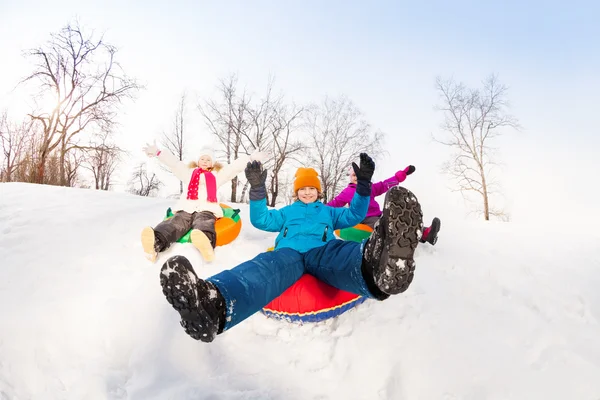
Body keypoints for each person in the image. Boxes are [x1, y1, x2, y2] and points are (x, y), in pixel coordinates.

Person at [159, 153, 424, 343]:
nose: (307, 192)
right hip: (289, 254)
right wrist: (258, 189)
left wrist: (363, 186)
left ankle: (380, 265)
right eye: (302, 189)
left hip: (322, 250)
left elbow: (355, 215)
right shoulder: (287, 212)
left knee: (344, 254)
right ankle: (211, 305)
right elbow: (261, 220)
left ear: (318, 191)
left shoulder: (328, 212)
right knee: (262, 269)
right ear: (297, 192)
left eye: (312, 188)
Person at [140, 142, 266, 262]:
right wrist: (158, 152)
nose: (205, 162)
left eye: (208, 160)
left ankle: (205, 243)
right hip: (187, 208)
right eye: (202, 159)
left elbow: (232, 169)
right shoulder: (189, 174)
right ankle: (155, 242)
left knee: (204, 222)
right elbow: (175, 164)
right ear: (198, 161)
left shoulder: (217, 176)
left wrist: (249, 158)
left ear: (213, 163)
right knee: (176, 222)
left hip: (207, 209)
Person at [327, 164, 441, 245]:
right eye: (354, 176)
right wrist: (318, 210)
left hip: (379, 215)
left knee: (398, 219)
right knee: (388, 225)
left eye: (359, 175)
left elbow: (384, 185)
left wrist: (399, 177)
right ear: (351, 178)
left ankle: (425, 232)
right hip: (364, 219)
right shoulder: (348, 192)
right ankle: (419, 235)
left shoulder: (369, 188)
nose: (357, 178)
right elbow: (335, 203)